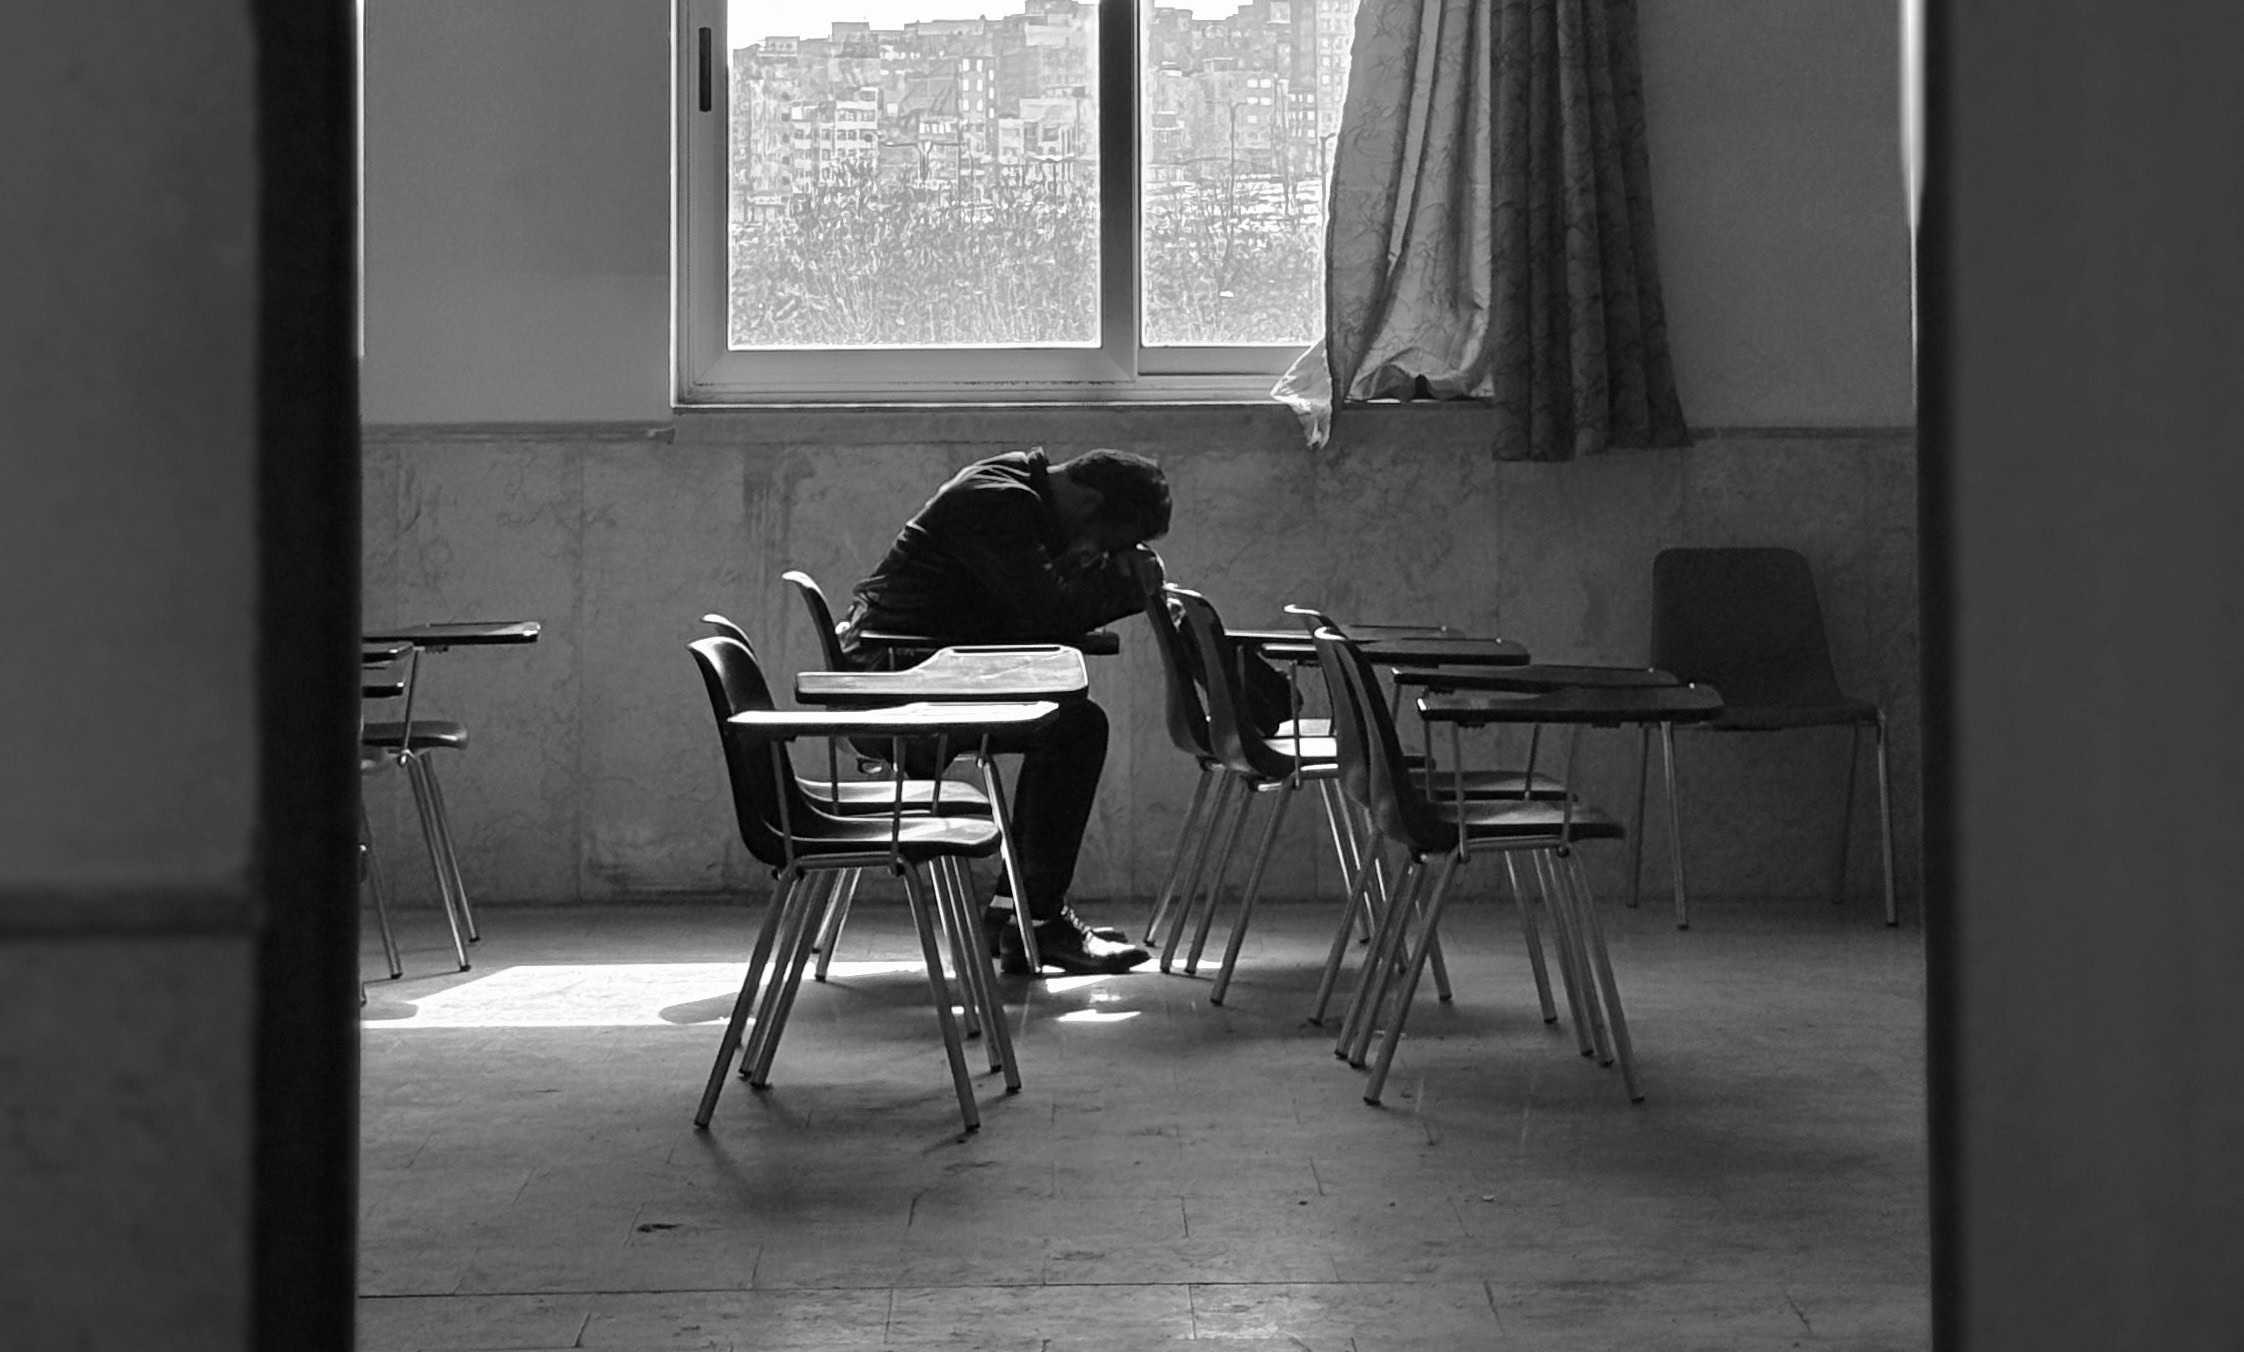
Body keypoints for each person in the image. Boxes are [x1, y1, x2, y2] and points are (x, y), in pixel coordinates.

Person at [837, 446, 1171, 975]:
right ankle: (1037, 920)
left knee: (1069, 717)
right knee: (1077, 729)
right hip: (897, 684)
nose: (1092, 554)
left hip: (912, 666)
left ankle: (1014, 912)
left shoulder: (1015, 489)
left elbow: (1025, 610)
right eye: (1105, 541)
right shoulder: (997, 504)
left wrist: (1100, 576)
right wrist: (1125, 585)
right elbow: (1044, 614)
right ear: (1089, 504)